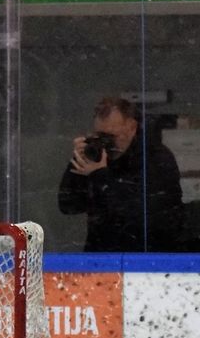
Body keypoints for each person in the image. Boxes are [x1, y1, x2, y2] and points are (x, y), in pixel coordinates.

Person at [58, 96, 185, 252]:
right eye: (100, 136)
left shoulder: (155, 157)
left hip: (145, 257)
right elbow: (68, 204)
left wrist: (100, 175)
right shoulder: (98, 157)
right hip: (102, 255)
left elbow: (140, 215)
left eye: (111, 136)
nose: (106, 143)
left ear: (131, 127)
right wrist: (80, 161)